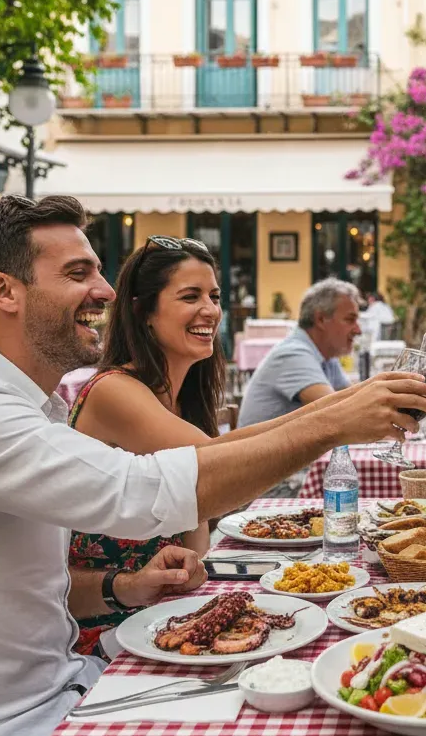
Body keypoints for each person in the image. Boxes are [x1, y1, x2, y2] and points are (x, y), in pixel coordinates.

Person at [0, 195, 426, 736]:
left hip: (74, 678)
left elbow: (40, 587)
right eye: (78, 273)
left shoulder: (34, 407)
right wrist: (334, 423)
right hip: (5, 720)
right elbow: (149, 489)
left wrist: (123, 586)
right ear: (3, 291)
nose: (105, 291)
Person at [67, 238, 389, 652]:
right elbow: (211, 470)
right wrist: (338, 419)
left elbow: (196, 535)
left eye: (214, 296)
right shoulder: (112, 391)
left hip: (164, 618)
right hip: (109, 633)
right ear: (142, 310)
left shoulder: (179, 399)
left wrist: (350, 405)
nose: (210, 310)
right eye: (190, 296)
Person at [237, 278, 360, 427]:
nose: (358, 330)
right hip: (262, 450)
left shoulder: (326, 356)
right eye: (350, 320)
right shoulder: (293, 354)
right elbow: (338, 414)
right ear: (321, 319)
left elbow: (354, 401)